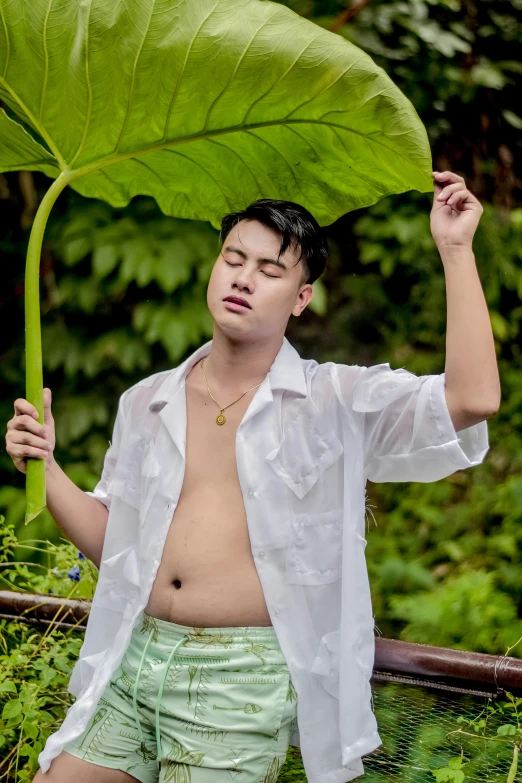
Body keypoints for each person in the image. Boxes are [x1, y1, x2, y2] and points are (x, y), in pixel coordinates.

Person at [6, 170, 499, 783]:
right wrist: (46, 467)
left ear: (301, 298)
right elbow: (120, 545)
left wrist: (455, 251)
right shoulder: (147, 400)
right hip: (133, 657)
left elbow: (473, 398)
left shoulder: (331, 400)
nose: (243, 277)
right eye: (233, 258)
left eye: (270, 270)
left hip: (239, 680)